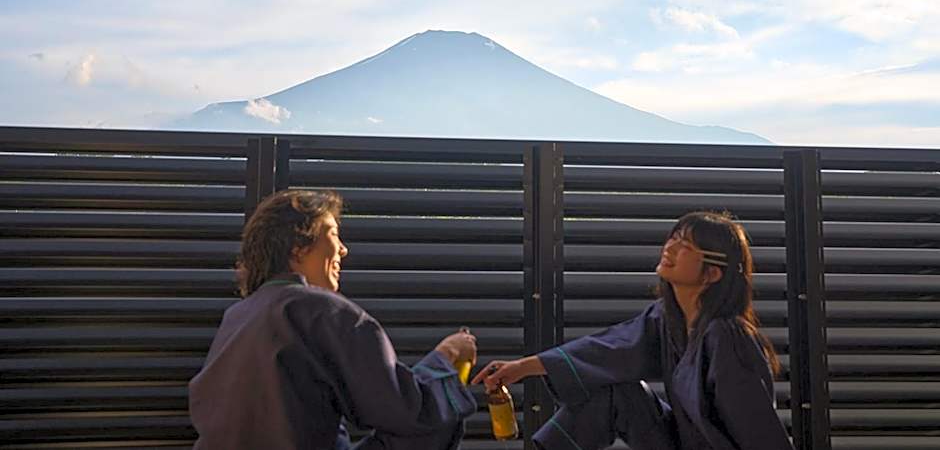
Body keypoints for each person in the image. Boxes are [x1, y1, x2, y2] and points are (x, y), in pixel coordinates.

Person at [473, 211, 793, 450]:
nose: (670, 247)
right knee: (618, 393)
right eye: (674, 238)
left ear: (712, 273)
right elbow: (608, 349)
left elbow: (758, 430)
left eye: (686, 246)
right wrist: (522, 368)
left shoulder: (728, 337)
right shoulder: (666, 319)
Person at [189, 189, 477, 450]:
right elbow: (407, 410)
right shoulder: (323, 310)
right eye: (333, 233)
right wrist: (447, 355)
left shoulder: (238, 316)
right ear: (298, 245)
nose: (343, 249)